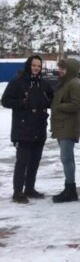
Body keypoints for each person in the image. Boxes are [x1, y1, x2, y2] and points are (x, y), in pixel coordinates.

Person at [1, 55, 54, 203]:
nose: (36, 68)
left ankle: (29, 188)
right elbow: (5, 101)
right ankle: (18, 192)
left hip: (39, 126)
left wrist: (48, 102)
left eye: (39, 66)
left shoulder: (43, 83)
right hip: (23, 127)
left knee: (35, 161)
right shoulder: (17, 81)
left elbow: (52, 99)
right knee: (22, 161)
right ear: (28, 65)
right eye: (34, 65)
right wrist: (22, 103)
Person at [50, 58, 80, 203]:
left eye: (63, 68)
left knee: (66, 158)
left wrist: (59, 106)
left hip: (69, 126)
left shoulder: (74, 83)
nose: (60, 70)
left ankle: (71, 190)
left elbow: (77, 104)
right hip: (61, 125)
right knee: (67, 159)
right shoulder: (64, 83)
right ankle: (69, 188)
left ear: (70, 69)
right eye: (60, 68)